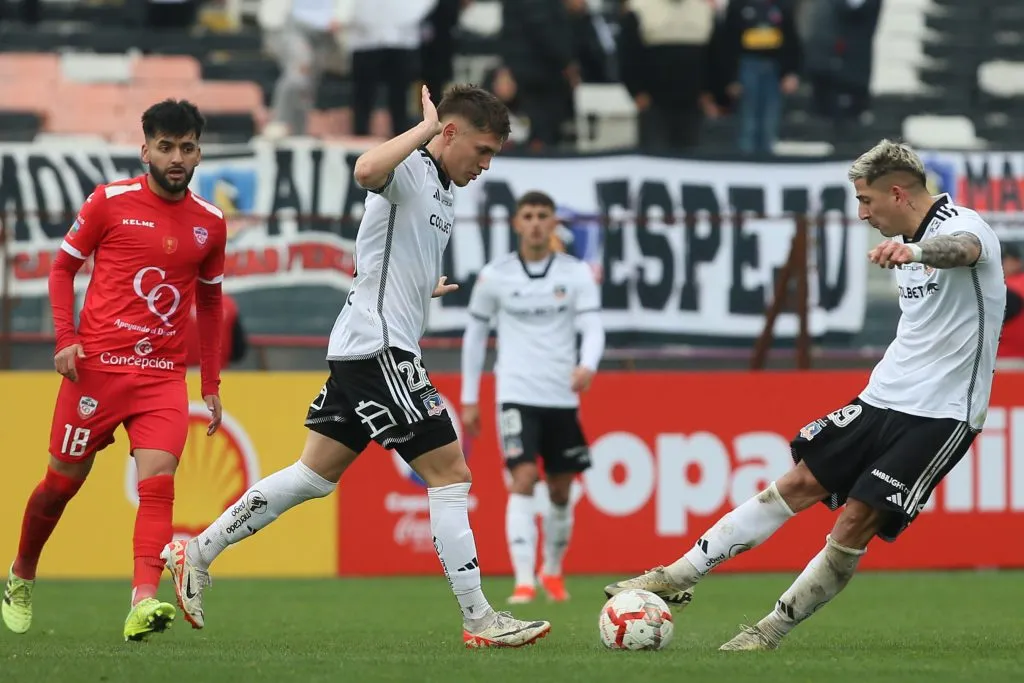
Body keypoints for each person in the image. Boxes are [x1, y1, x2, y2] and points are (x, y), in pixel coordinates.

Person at [161, 85, 552, 649]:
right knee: (451, 473)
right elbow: (366, 170)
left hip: (364, 343)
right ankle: (480, 618)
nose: (486, 165)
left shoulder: (442, 188)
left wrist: (422, 289)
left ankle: (194, 552)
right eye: (483, 150)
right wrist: (422, 130)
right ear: (450, 134)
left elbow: (386, 252)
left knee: (313, 476)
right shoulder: (415, 166)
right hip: (380, 348)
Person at [605, 139, 1006, 651]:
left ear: (899, 193)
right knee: (794, 483)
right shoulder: (901, 237)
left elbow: (964, 252)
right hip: (880, 397)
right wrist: (909, 248)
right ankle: (678, 574)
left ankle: (768, 631)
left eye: (866, 201)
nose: (861, 213)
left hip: (941, 416)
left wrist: (918, 251)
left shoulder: (963, 226)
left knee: (855, 520)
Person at [1, 100, 227, 642]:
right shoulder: (108, 203)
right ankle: (21, 574)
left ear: (199, 152)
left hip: (161, 378)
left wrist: (211, 385)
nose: (177, 157)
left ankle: (142, 601)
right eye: (166, 146)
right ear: (144, 148)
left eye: (187, 147)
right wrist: (65, 339)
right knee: (59, 485)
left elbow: (212, 305)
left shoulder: (211, 223)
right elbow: (61, 269)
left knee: (159, 485)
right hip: (97, 374)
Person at [460, 191, 604, 605]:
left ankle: (553, 572)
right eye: (529, 216)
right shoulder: (495, 276)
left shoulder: (576, 273)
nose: (537, 223)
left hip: (561, 395)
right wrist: (470, 398)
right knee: (522, 479)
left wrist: (588, 364)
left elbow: (593, 327)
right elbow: (475, 337)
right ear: (517, 224)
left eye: (544, 216)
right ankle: (523, 580)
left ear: (554, 223)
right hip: (516, 393)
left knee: (561, 489)